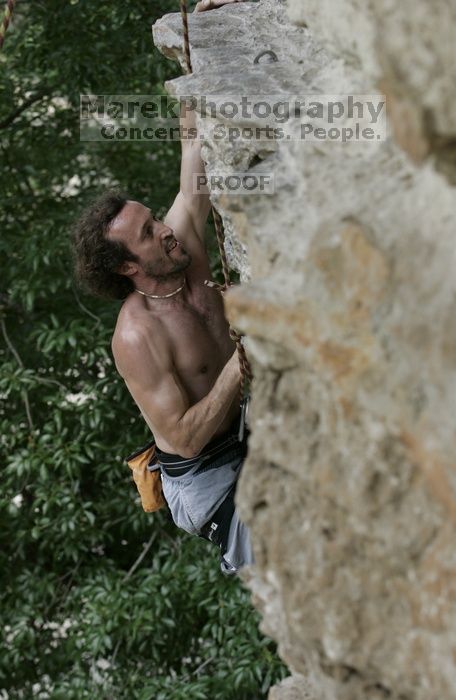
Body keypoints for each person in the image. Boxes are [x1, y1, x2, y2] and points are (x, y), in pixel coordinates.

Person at [72, 0, 253, 575]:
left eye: (155, 219)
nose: (167, 232)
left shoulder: (184, 251)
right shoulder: (137, 336)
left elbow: (192, 159)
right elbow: (184, 436)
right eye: (150, 234)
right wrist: (241, 362)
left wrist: (198, 39)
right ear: (129, 268)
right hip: (209, 477)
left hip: (248, 427)